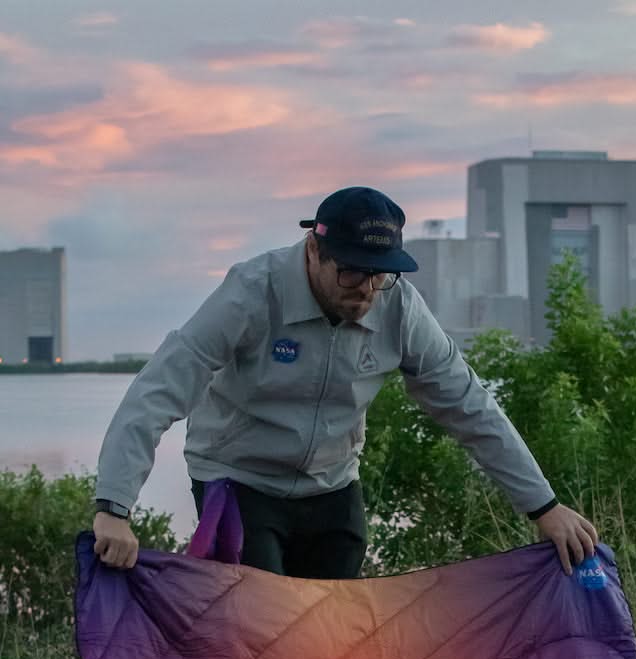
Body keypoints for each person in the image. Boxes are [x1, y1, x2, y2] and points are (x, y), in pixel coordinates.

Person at [92, 186, 598, 578]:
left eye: (381, 275)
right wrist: (113, 508)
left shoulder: (398, 304)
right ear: (315, 248)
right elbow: (157, 390)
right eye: (353, 274)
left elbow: (469, 405)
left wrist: (544, 507)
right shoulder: (251, 292)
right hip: (238, 479)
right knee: (261, 629)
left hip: (332, 485)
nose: (368, 291)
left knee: (331, 640)